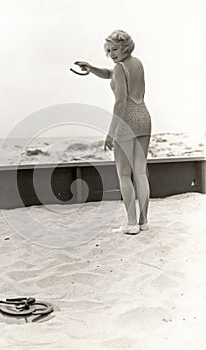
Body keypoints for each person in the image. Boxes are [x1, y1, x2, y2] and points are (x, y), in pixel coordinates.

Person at [75, 30, 152, 234]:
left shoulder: (120, 67)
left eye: (115, 49)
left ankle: (131, 224)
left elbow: (120, 101)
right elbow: (110, 73)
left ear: (126, 46)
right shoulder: (136, 63)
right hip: (143, 116)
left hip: (126, 119)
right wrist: (91, 68)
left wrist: (111, 132)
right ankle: (143, 222)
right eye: (108, 51)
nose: (111, 54)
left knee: (124, 174)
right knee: (141, 172)